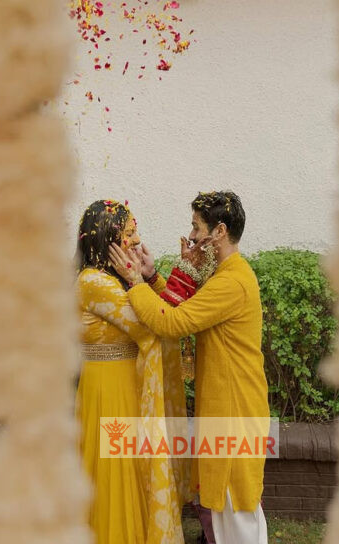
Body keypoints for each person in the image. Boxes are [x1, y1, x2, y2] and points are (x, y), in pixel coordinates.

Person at [109, 191, 270, 544]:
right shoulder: (224, 275)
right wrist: (152, 277)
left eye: (197, 227)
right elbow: (188, 310)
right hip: (226, 405)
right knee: (224, 505)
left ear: (220, 231)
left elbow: (171, 322)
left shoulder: (231, 282)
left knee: (236, 508)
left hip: (235, 409)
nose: (192, 236)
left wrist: (134, 282)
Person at [75, 199, 190, 544]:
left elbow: (163, 317)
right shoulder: (93, 282)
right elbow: (153, 325)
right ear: (107, 239)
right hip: (110, 390)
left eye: (135, 231)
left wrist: (150, 278)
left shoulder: (118, 281)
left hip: (127, 383)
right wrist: (139, 280)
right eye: (129, 232)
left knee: (134, 468)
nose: (137, 239)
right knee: (116, 473)